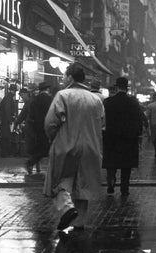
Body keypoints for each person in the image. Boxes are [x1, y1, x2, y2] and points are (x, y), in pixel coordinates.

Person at [44, 63, 105, 232]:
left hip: (66, 145)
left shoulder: (63, 96)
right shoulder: (96, 99)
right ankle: (79, 222)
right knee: (83, 185)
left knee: (59, 180)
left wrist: (53, 138)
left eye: (63, 76)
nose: (62, 80)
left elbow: (50, 123)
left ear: (70, 78)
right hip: (91, 147)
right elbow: (102, 124)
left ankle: (66, 209)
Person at [102, 76, 145, 196]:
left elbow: (102, 120)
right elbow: (138, 120)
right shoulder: (133, 102)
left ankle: (110, 181)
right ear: (127, 87)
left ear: (117, 87)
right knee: (126, 165)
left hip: (111, 137)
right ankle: (124, 188)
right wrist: (139, 135)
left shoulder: (108, 102)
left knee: (112, 163)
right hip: (128, 138)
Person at [25, 81, 53, 174]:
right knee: (45, 148)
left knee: (39, 146)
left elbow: (31, 115)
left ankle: (34, 164)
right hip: (48, 126)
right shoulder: (50, 99)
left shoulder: (34, 100)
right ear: (47, 89)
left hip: (36, 127)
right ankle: (31, 162)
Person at [0, 83, 18, 157]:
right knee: (6, 136)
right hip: (5, 120)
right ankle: (5, 153)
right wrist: (10, 120)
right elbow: (7, 109)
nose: (14, 92)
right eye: (14, 90)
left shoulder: (8, 97)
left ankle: (5, 152)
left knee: (5, 136)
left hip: (4, 119)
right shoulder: (9, 98)